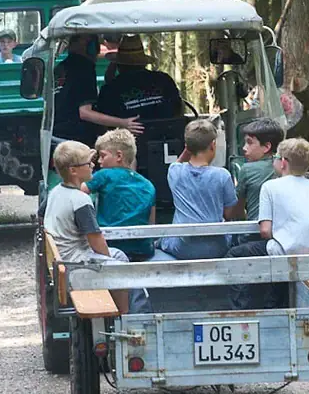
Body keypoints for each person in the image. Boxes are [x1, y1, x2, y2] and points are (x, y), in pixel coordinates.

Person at [227, 137, 309, 308]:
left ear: (283, 162)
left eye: (276, 158)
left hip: (286, 251)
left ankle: (242, 308)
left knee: (235, 255)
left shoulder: (270, 187)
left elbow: (265, 231)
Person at [43, 140, 149, 313]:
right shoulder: (80, 200)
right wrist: (108, 264)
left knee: (120, 256)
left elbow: (41, 215)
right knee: (125, 271)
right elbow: (96, 241)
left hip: (62, 258)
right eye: (88, 163)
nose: (93, 165)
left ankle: (119, 309)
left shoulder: (55, 192)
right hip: (74, 263)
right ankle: (123, 316)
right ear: (74, 171)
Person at [158, 119, 240, 261]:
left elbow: (178, 162)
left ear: (187, 147)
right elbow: (228, 214)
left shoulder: (175, 172)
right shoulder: (223, 175)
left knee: (162, 240)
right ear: (213, 145)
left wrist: (189, 149)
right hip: (216, 248)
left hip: (181, 248)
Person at [53, 36, 140, 146]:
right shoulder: (84, 68)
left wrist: (114, 63)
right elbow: (85, 113)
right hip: (76, 140)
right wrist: (123, 123)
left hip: (57, 135)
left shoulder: (61, 67)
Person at [88, 129, 157, 262]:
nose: (99, 161)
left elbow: (77, 189)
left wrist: (86, 164)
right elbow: (152, 222)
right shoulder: (148, 185)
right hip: (142, 250)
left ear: (119, 156)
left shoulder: (104, 175)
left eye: (102, 156)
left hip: (110, 247)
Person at [93, 35, 184, 136]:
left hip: (127, 141)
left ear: (118, 65)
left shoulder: (110, 90)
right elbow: (178, 110)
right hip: (168, 137)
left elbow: (102, 125)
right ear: (143, 63)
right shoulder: (164, 80)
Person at [227, 117, 284, 222]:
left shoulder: (247, 169)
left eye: (249, 143)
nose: (244, 148)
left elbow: (236, 210)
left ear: (266, 147)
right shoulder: (285, 166)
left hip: (255, 229)